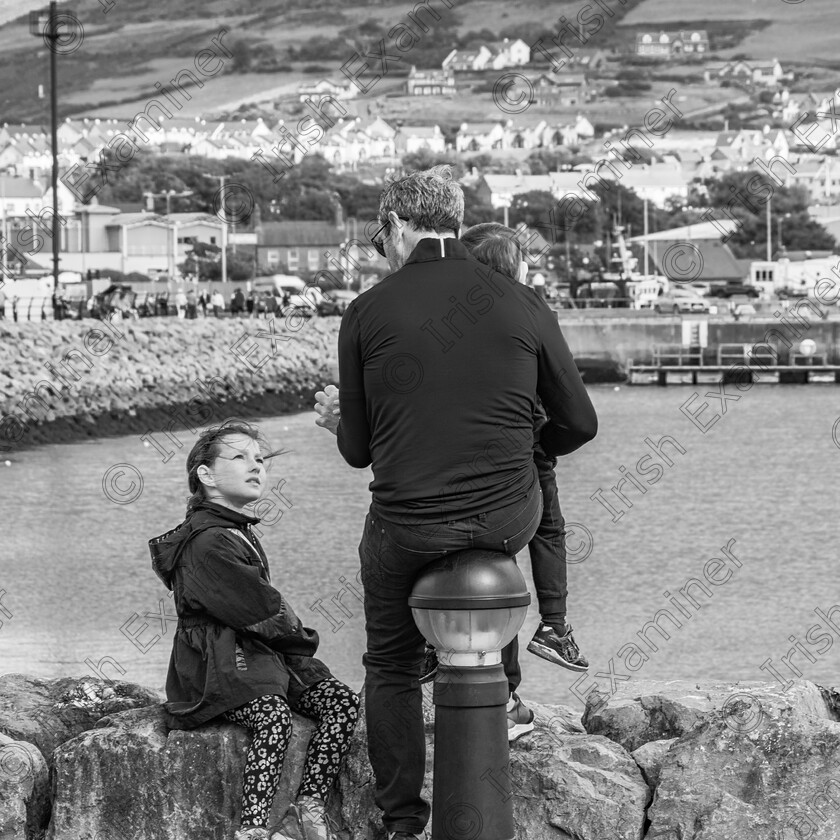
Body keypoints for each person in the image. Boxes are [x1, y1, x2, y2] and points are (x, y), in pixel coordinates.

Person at [313, 166, 597, 840]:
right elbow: (580, 423)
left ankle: (404, 822)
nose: (381, 249)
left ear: (398, 226)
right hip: (505, 519)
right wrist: (522, 456)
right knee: (516, 517)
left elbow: (358, 453)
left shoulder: (367, 310)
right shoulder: (520, 302)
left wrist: (335, 422)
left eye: (380, 235)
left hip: (407, 525)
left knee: (388, 664)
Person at [149, 421, 360, 840]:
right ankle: (252, 829)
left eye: (260, 459)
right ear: (206, 476)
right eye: (240, 457)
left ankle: (307, 807)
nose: (256, 466)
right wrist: (304, 643)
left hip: (256, 647)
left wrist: (294, 649)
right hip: (217, 658)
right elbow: (262, 610)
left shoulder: (233, 529)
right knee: (272, 714)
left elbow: (262, 616)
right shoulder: (208, 542)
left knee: (341, 703)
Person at [454, 223, 589, 671]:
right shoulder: (528, 310)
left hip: (464, 452)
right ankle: (555, 623)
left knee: (494, 561)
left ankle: (499, 676)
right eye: (525, 261)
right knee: (547, 530)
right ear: (511, 268)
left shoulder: (452, 321)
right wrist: (544, 445)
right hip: (526, 442)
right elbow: (577, 417)